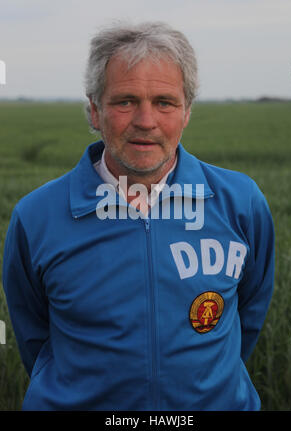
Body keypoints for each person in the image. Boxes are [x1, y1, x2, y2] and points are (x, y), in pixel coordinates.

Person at [2, 21, 274, 411]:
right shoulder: (36, 217)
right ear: (95, 110)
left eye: (165, 102)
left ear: (187, 112)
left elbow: (248, 316)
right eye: (125, 101)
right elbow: (35, 338)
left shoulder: (241, 202)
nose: (146, 121)